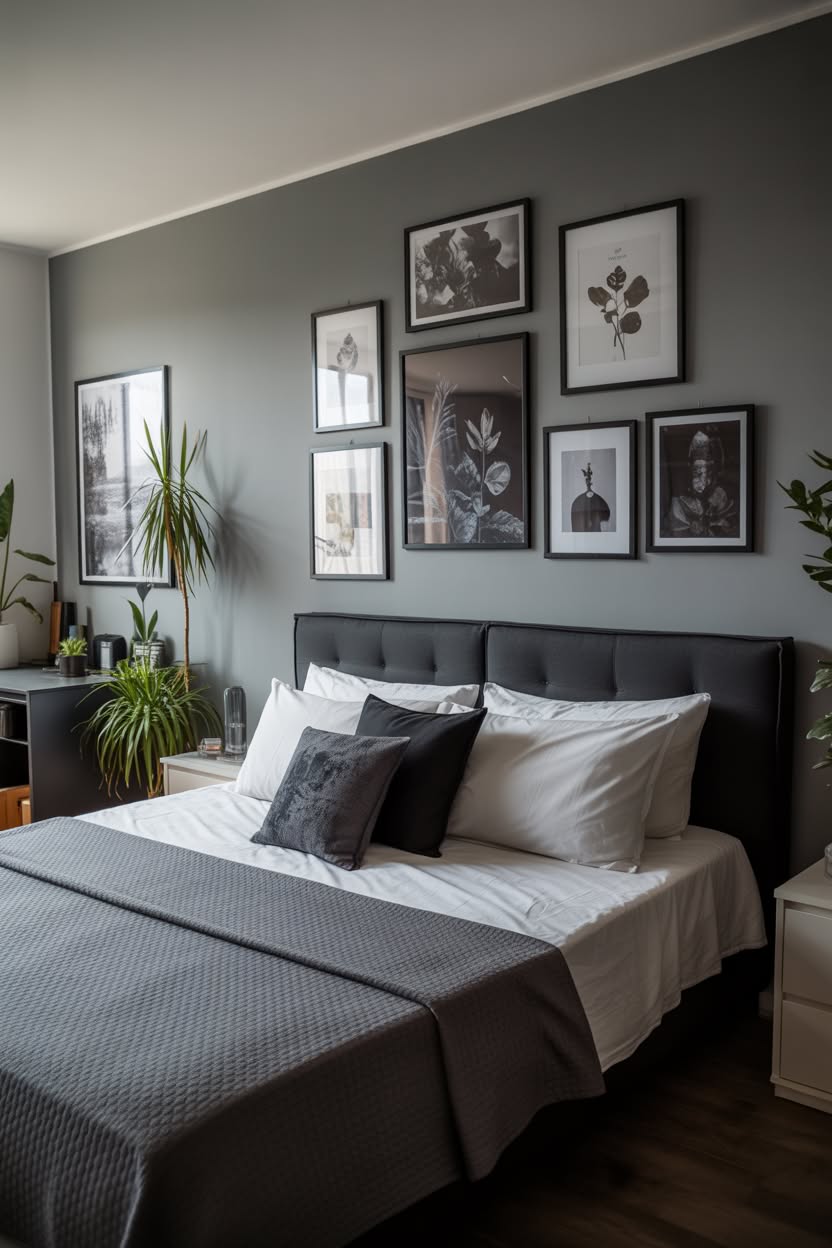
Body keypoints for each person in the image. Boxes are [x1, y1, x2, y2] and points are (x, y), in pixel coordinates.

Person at [667, 428, 738, 538]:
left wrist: (724, 523)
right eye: (697, 472)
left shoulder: (724, 498)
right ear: (691, 471)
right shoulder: (679, 504)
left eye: (708, 472)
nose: (703, 479)